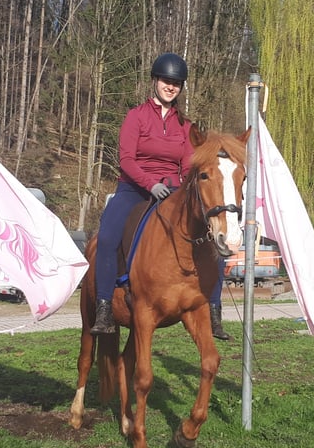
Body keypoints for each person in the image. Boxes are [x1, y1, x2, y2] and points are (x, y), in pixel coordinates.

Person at [90, 52, 230, 340]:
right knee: (106, 237)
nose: (171, 86)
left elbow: (187, 164)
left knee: (214, 237)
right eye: (166, 80)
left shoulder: (186, 126)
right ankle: (104, 305)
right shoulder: (136, 117)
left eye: (176, 83)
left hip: (173, 190)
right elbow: (126, 159)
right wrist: (150, 183)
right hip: (134, 187)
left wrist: (178, 186)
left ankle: (214, 309)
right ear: (155, 81)